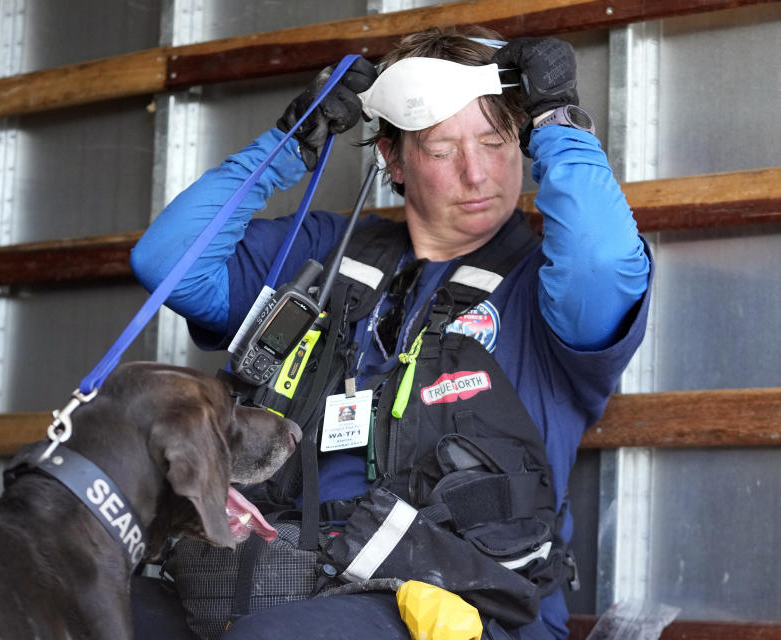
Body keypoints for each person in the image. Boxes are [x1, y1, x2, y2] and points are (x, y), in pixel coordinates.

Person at [130, 26, 652, 640]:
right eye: (441, 149)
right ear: (392, 159)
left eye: (497, 139)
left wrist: (559, 120)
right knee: (87, 606)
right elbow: (169, 263)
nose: (477, 174)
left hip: (459, 607)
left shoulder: (551, 291)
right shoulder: (326, 248)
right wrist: (288, 146)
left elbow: (601, 259)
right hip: (270, 576)